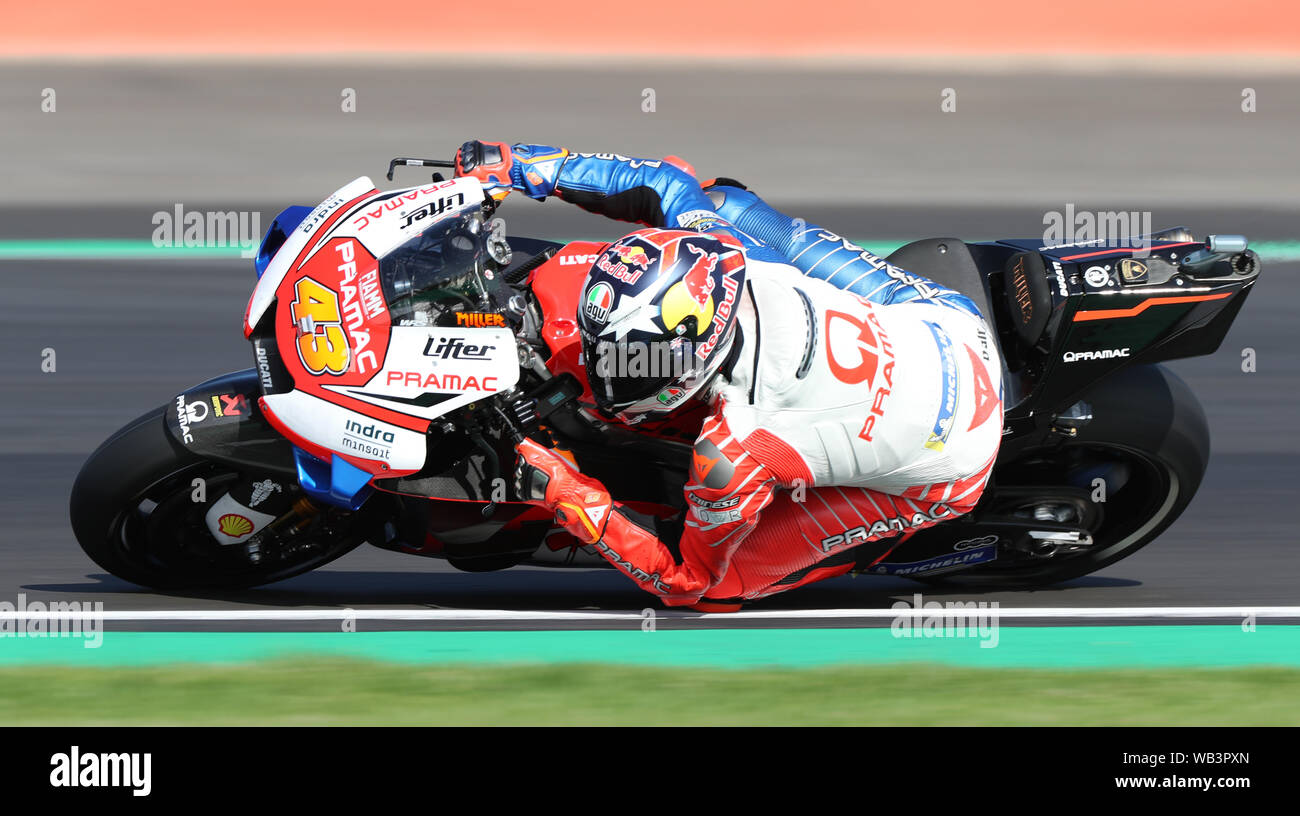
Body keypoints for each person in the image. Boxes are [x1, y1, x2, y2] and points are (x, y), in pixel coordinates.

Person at [455, 141, 1003, 611]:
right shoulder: (725, 251)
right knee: (724, 201)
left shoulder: (732, 452)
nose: (606, 373)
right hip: (944, 320)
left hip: (954, 452)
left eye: (626, 363)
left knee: (722, 587)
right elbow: (663, 182)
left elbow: (683, 581)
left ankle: (888, 537)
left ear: (689, 366)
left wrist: (563, 491)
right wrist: (517, 165)